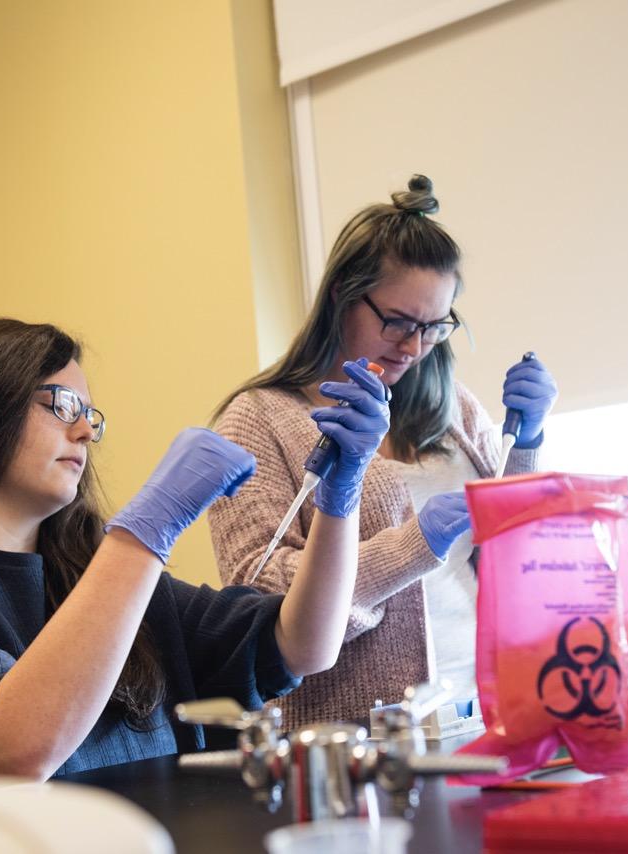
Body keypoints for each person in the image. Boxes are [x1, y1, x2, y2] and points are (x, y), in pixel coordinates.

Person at [0, 318, 389, 779]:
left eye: (90, 416)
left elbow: (305, 644)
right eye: (63, 405)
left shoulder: (89, 570)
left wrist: (341, 499)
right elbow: (12, 752)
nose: (86, 434)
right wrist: (147, 531)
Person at [210, 175, 558, 727]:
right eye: (396, 322)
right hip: (361, 742)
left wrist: (529, 445)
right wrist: (412, 545)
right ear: (340, 297)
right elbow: (260, 608)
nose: (414, 347)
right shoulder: (260, 420)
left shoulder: (455, 410)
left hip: (491, 712)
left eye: (433, 327)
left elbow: (518, 562)